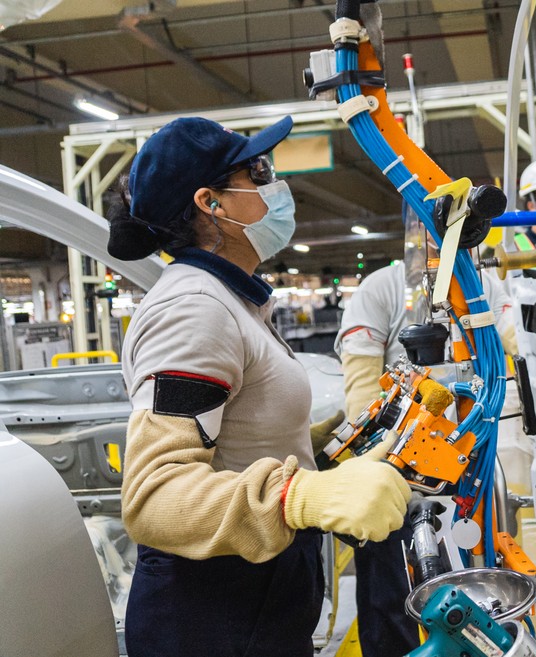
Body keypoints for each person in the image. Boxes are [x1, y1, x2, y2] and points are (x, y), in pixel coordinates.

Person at [109, 116, 411, 657]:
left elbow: (235, 434)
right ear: (213, 203)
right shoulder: (195, 310)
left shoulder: (235, 300)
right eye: (258, 171)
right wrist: (300, 495)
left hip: (253, 598)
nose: (276, 185)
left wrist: (317, 445)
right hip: (213, 612)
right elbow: (154, 497)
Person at [335, 251, 517, 657]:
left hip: (469, 464)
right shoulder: (380, 289)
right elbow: (363, 391)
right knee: (390, 598)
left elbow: (517, 339)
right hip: (396, 471)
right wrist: (390, 464)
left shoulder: (481, 285)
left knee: (478, 595)